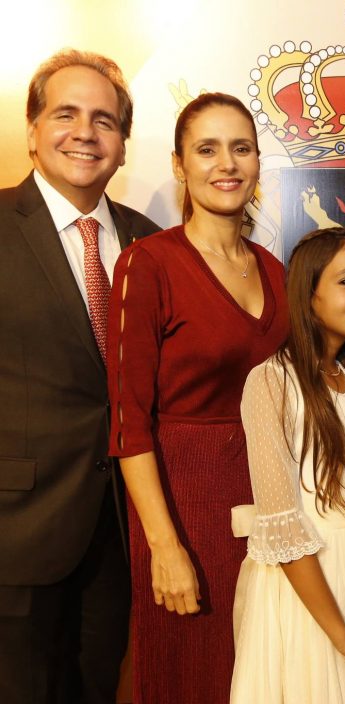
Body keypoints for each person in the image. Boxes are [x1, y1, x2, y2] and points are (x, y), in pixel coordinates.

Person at [107, 92, 288, 704]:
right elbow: (129, 421)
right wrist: (164, 546)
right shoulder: (147, 263)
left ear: (259, 161)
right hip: (184, 503)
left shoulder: (275, 270)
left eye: (241, 148)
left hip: (269, 502)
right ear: (181, 166)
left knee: (262, 672)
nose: (226, 164)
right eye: (206, 149)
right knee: (192, 677)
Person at [0, 49, 159, 704]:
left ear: (123, 144)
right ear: (33, 129)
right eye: (65, 114)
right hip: (15, 532)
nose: (86, 132)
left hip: (121, 534)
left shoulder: (150, 244)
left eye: (105, 119)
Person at [230, 228, 345, 703]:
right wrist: (340, 634)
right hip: (314, 588)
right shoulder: (269, 383)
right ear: (308, 295)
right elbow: (283, 524)